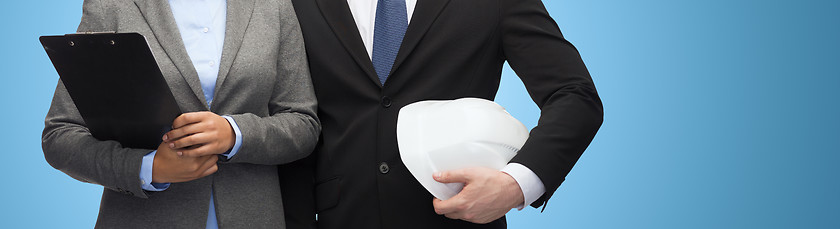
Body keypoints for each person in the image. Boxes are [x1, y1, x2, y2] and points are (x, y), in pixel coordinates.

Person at [285, 0, 603, 228]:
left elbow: (575, 95)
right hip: (342, 218)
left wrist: (514, 186)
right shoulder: (295, 5)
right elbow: (292, 119)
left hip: (459, 218)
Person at [41, 0, 319, 228]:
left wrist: (236, 134)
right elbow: (60, 135)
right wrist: (147, 168)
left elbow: (303, 123)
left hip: (253, 217)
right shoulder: (112, 5)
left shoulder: (274, 5)